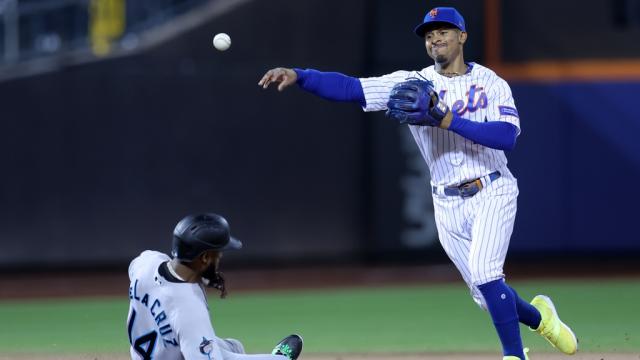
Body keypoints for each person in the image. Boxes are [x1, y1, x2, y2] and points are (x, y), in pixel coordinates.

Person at [258, 6, 577, 360]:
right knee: (488, 298)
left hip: (492, 189)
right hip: (446, 202)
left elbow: (506, 137)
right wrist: (300, 75)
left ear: (462, 36)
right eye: (429, 34)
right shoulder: (412, 83)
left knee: (488, 276)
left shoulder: (490, 83)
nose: (435, 38)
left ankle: (514, 356)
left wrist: (448, 119)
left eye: (443, 31)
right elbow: (351, 88)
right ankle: (541, 319)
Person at [126, 213, 304, 360]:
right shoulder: (189, 308)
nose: (220, 259)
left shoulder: (146, 262)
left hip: (150, 352)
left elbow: (136, 272)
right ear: (204, 258)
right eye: (218, 254)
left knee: (234, 346)